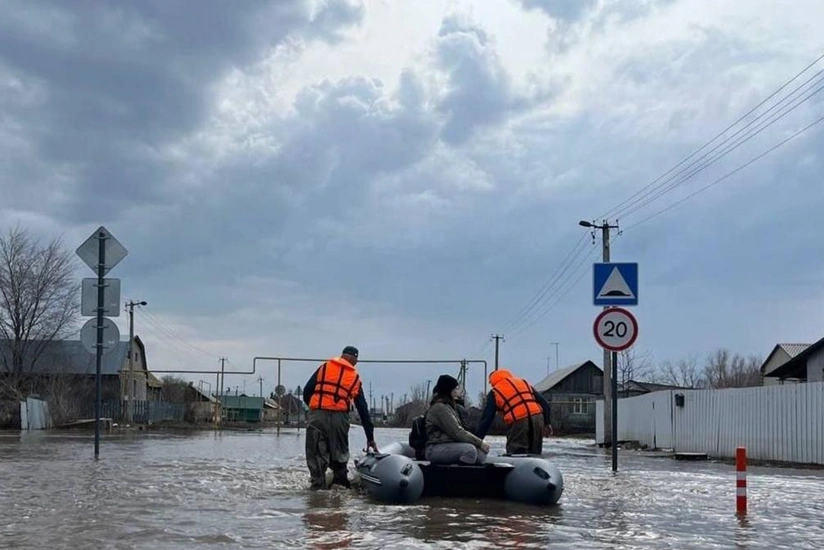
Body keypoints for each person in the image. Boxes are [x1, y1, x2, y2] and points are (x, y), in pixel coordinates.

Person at [302, 346, 377, 489]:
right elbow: (363, 410)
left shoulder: (325, 367)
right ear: (354, 359)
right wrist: (370, 438)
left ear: (342, 356)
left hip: (317, 415)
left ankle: (317, 489)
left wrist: (315, 408)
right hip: (339, 418)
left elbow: (307, 391)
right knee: (340, 455)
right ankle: (340, 488)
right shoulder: (354, 377)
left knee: (316, 455)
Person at [475, 368, 552, 455]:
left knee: (517, 453)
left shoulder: (495, 391)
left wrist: (477, 440)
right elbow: (545, 404)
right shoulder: (523, 382)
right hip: (537, 418)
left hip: (519, 421)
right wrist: (547, 423)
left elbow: (487, 419)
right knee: (535, 453)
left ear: (492, 381)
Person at [424, 374, 490, 464]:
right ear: (448, 391)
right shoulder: (439, 408)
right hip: (435, 447)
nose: (457, 392)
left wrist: (478, 444)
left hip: (448, 444)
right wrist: (480, 442)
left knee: (480, 453)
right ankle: (458, 477)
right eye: (455, 389)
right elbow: (456, 432)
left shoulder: (449, 407)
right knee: (469, 451)